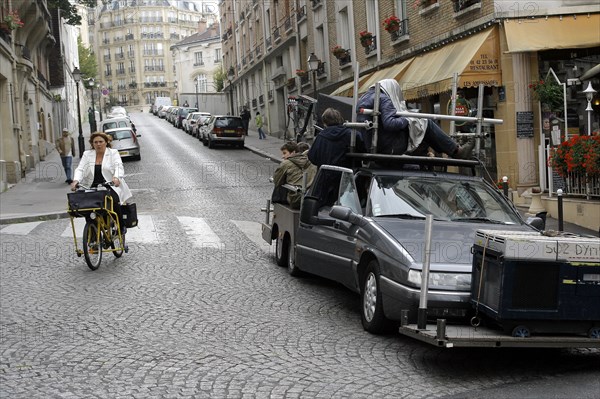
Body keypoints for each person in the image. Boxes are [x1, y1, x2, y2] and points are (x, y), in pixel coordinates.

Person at [356, 79, 473, 158]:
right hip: (389, 148)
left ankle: (430, 155)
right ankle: (456, 151)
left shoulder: (363, 99)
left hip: (376, 146)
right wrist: (407, 119)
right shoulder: (383, 98)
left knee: (419, 131)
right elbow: (390, 123)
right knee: (425, 122)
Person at [71, 132, 132, 233]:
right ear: (92, 144)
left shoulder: (113, 153)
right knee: (85, 205)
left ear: (106, 142)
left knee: (114, 201)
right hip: (91, 186)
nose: (98, 144)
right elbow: (80, 169)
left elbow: (118, 166)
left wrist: (116, 177)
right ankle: (92, 230)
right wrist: (76, 180)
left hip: (109, 185)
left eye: (101, 142)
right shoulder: (87, 154)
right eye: (95, 142)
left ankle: (121, 226)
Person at [272, 142, 317, 209]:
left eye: (285, 153)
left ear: (293, 152)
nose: (283, 156)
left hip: (295, 199)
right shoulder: (310, 161)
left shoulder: (286, 163)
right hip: (310, 197)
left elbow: (276, 181)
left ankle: (276, 209)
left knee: (279, 186)